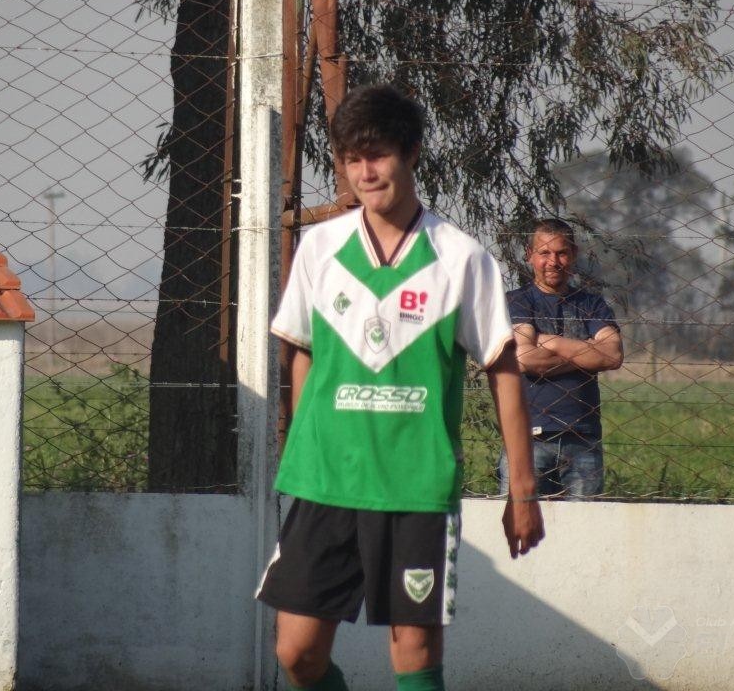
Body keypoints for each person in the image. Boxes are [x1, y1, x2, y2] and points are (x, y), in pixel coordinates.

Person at [257, 84, 544, 691]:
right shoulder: (321, 247)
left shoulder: (460, 257)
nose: (365, 172)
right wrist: (307, 443)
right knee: (296, 654)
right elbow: (302, 351)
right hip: (326, 481)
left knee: (413, 654)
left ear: (411, 153)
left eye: (378, 155)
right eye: (352, 159)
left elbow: (503, 368)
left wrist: (522, 490)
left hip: (415, 484)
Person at [498, 219, 623, 499]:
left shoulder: (591, 304)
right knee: (520, 518)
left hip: (583, 438)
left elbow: (613, 355)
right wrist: (587, 352)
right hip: (528, 438)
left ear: (573, 254)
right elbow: (525, 358)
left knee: (583, 523)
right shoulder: (517, 301)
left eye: (561, 253)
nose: (553, 262)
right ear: (529, 256)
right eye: (544, 253)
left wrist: (549, 341)